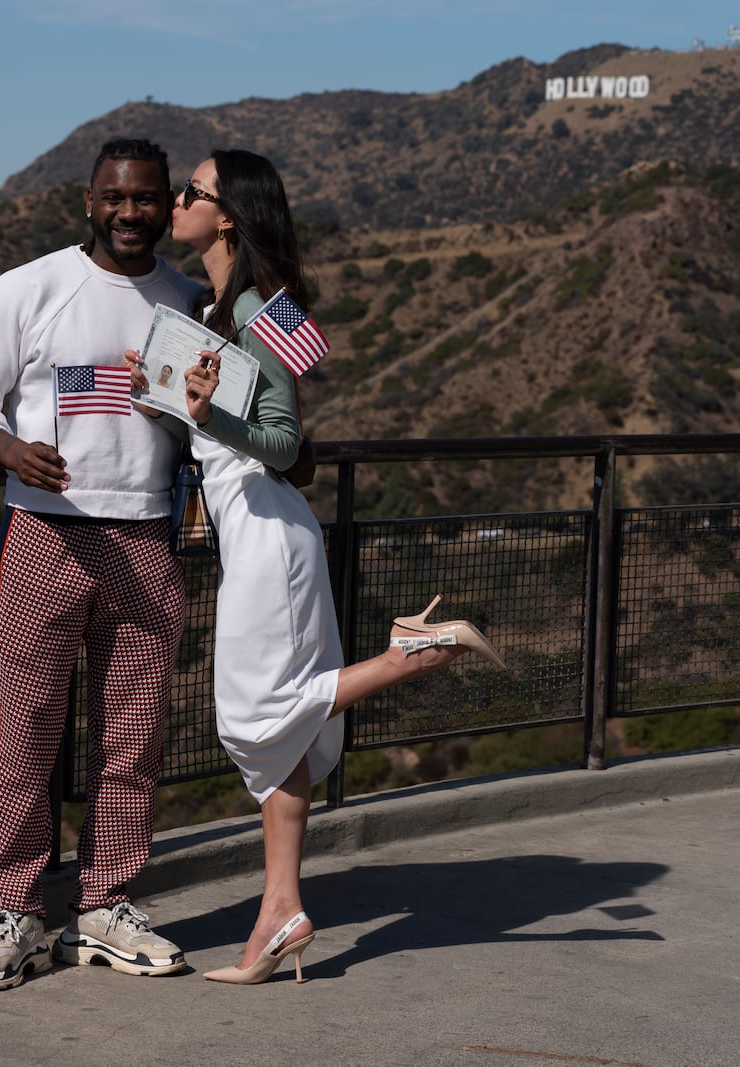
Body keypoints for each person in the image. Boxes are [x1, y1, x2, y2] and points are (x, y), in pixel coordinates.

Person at [129, 149, 506, 985]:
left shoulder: (261, 307)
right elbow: (222, 428)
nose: (178, 200)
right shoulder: (217, 307)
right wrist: (158, 394)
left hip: (269, 534)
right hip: (252, 529)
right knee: (280, 737)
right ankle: (280, 913)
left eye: (192, 191)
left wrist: (207, 417)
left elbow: (284, 442)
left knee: (253, 716)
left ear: (226, 216)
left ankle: (422, 647)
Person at [0, 138, 206, 990]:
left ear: (168, 206)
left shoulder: (189, 302)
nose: (131, 213)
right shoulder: (28, 288)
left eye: (147, 199)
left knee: (131, 738)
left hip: (144, 538)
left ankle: (106, 906)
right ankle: (14, 909)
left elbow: (209, 417)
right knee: (28, 732)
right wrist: (6, 447)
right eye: (115, 198)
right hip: (43, 535)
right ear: (88, 202)